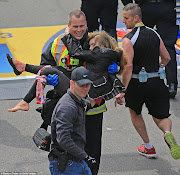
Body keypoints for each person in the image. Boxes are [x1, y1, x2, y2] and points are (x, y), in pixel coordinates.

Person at [7, 11, 125, 174]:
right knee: (64, 148)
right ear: (68, 25)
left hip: (92, 109)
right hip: (66, 106)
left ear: (86, 25)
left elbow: (115, 57)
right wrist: (50, 81)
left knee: (92, 150)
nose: (79, 30)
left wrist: (116, 68)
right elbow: (45, 67)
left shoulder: (95, 41)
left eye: (82, 26)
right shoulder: (57, 44)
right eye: (75, 26)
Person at [115, 3, 180, 160]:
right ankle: (167, 133)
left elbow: (128, 65)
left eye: (126, 18)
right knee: (161, 117)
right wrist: (156, 65)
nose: (123, 21)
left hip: (137, 83)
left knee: (135, 112)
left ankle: (149, 147)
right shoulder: (155, 34)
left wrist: (123, 89)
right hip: (156, 81)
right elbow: (167, 58)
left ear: (136, 18)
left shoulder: (128, 40)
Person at [121, 0, 179, 98]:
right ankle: (172, 84)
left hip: (146, 6)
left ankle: (141, 79)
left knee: (142, 40)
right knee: (168, 46)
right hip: (166, 6)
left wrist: (131, 6)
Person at [48, 67, 94, 175]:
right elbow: (63, 139)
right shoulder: (67, 107)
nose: (85, 88)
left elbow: (88, 102)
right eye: (81, 85)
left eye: (87, 85)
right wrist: (85, 156)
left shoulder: (78, 101)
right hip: (67, 164)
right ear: (71, 83)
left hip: (76, 160)